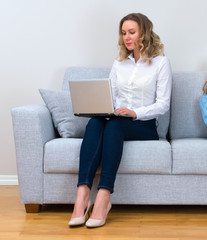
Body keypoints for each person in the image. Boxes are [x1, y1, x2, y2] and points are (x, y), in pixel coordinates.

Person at [68, 13, 172, 228]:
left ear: (144, 33)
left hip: (144, 125)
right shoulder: (119, 63)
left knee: (114, 125)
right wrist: (106, 109)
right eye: (124, 33)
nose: (127, 37)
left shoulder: (161, 63)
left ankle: (104, 196)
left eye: (132, 32)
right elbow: (110, 96)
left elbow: (163, 104)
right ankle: (82, 194)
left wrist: (134, 113)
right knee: (96, 123)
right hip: (117, 119)